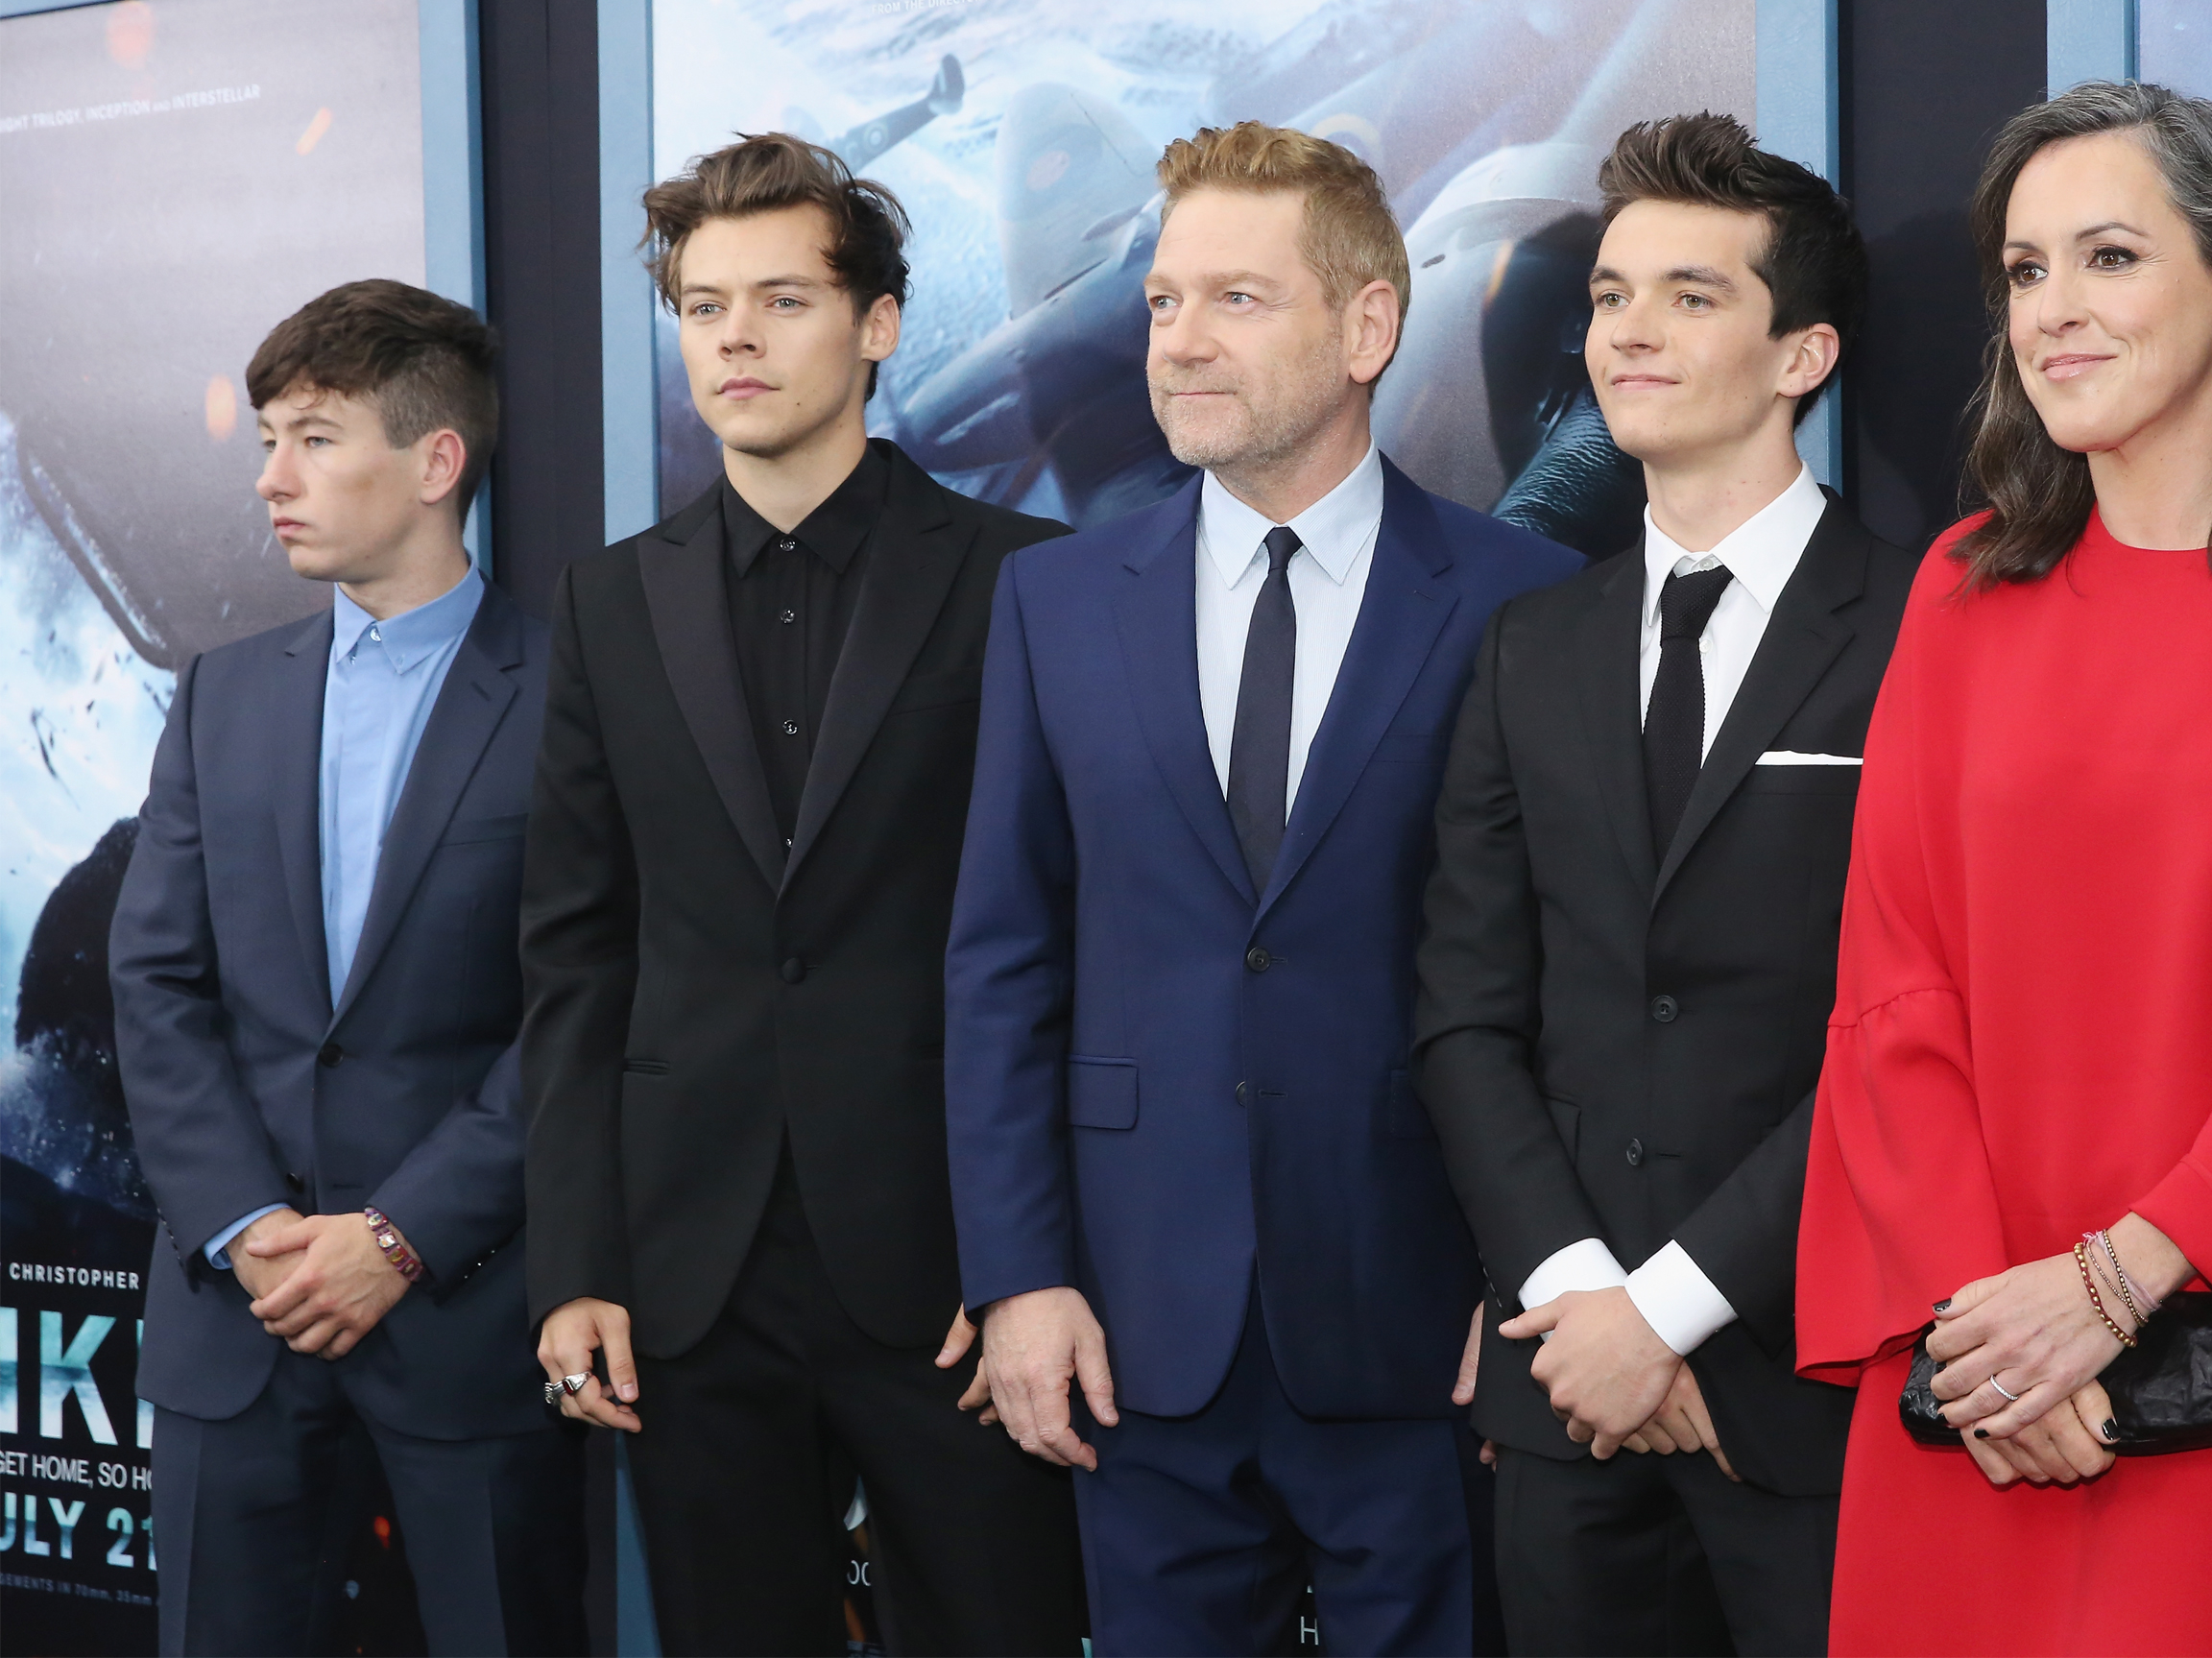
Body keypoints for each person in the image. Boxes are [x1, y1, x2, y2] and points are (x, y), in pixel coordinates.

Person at [1791, 81, 2212, 1656]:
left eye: (2106, 257)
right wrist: (1989, 1335)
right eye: (2024, 273)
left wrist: (2117, 1284)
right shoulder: (1964, 587)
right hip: (1983, 1388)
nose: (2055, 312)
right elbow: (1894, 995)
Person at [946, 122, 1580, 1656]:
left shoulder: (1520, 598)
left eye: (1236, 300)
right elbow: (1002, 961)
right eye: (1164, 302)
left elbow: (1561, 972)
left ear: (1369, 327)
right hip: (1129, 1333)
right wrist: (1020, 1277)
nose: (1176, 343)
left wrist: (1530, 1275)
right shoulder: (1052, 599)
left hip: (1417, 1315)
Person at [519, 134, 1085, 1656]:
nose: (738, 341)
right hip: (692, 1283)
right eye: (705, 309)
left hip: (957, 1273)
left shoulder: (1033, 579)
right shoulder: (607, 603)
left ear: (878, 326)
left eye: (780, 300)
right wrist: (577, 1257)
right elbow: (577, 956)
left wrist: (1039, 1253)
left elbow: (1083, 940)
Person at [1413, 113, 1911, 1656]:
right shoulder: (1528, 644)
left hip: (1805, 1385)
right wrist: (1580, 1309)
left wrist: (1674, 1311)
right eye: (1614, 293)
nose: (1629, 329)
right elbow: (1465, 1014)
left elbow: (1909, 1032)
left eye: (1691, 296)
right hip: (1567, 1400)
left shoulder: (1925, 628)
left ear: (1801, 355)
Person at [110, 280, 584, 1655]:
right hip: (231, 1324)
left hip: (468, 1327)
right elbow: (157, 984)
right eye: (267, 438)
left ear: (436, 463)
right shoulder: (220, 694)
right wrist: (249, 1227)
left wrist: (398, 1237)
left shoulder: (575, 698)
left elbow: (583, 1008)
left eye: (314, 438)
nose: (272, 478)